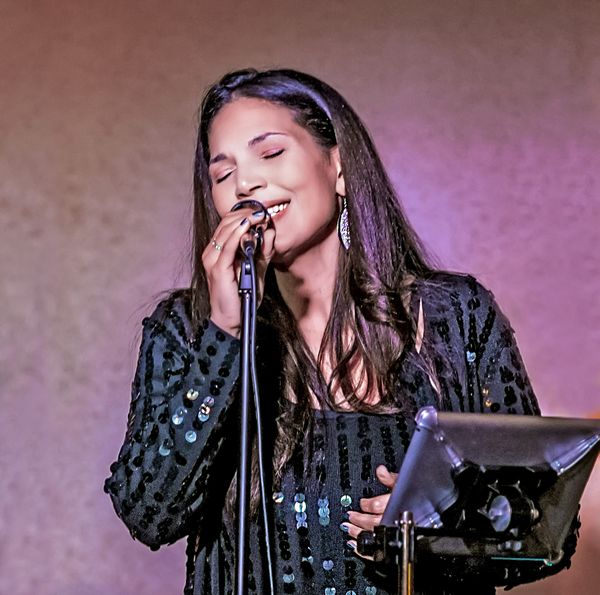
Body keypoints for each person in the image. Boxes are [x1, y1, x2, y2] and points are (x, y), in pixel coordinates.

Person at [105, 68, 577, 594]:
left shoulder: (456, 317)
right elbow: (149, 514)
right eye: (223, 174)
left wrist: (437, 535)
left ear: (339, 166)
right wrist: (226, 335)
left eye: (270, 153)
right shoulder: (188, 330)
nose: (245, 184)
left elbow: (545, 525)